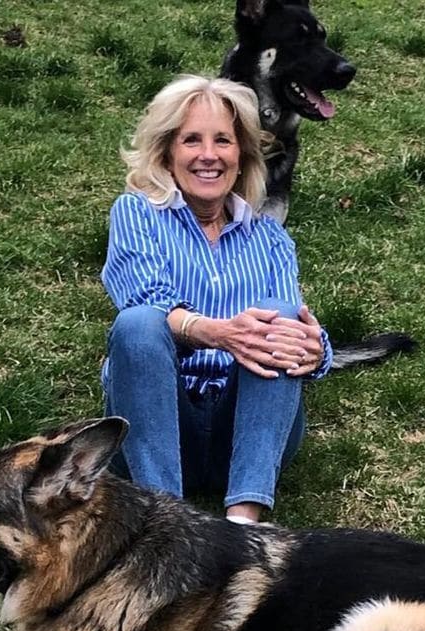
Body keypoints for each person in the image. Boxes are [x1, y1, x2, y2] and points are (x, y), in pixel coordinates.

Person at [101, 75, 332, 524]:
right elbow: (145, 300)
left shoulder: (270, 237)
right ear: (167, 152)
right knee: (139, 322)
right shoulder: (135, 213)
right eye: (191, 140)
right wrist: (221, 334)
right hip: (162, 423)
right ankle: (165, 520)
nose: (208, 155)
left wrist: (315, 348)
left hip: (243, 431)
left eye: (223, 140)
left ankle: (244, 521)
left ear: (241, 154)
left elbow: (293, 327)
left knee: (283, 319)